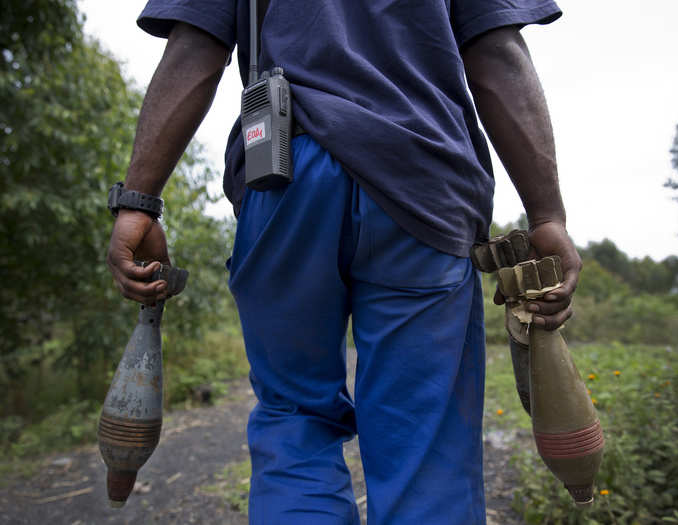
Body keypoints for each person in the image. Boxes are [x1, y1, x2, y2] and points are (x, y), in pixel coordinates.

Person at [106, 1, 582, 523]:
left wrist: (139, 201)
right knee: (423, 439)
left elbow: (195, 47)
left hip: (284, 171)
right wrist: (547, 215)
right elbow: (496, 53)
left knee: (294, 419)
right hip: (422, 179)